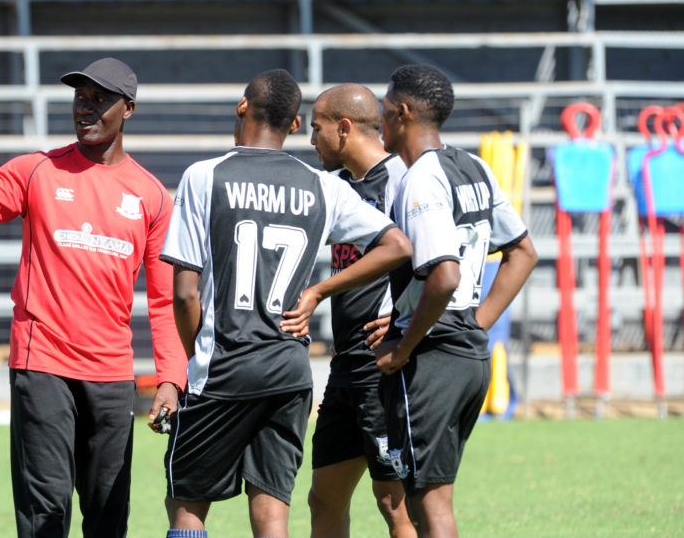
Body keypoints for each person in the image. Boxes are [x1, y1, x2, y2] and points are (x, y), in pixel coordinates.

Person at [0, 57, 186, 538]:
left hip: (111, 373)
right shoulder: (35, 170)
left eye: (99, 100)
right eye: (79, 98)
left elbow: (165, 300)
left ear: (127, 109)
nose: (85, 109)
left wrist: (171, 377)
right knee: (46, 513)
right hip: (41, 363)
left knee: (108, 515)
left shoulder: (152, 196)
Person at [159, 69, 412, 538]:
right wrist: (318, 293)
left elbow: (184, 292)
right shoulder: (323, 185)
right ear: (295, 125)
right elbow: (397, 245)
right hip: (291, 369)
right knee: (273, 510)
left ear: (241, 107)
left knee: (188, 504)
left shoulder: (204, 176)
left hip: (225, 365)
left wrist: (199, 353)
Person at [374, 64, 538, 538]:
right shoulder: (474, 165)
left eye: (384, 111)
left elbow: (444, 277)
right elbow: (523, 252)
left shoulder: (421, 179)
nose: (380, 122)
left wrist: (403, 348)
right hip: (467, 352)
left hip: (432, 356)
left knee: (432, 504)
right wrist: (476, 325)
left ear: (402, 113)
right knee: (429, 498)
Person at [281, 83, 417, 538]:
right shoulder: (335, 188)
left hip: (385, 367)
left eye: (316, 129)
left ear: (343, 128)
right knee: (324, 498)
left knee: (394, 504)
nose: (311, 139)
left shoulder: (403, 180)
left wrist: (409, 322)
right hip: (346, 366)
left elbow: (441, 262)